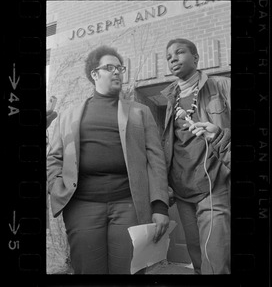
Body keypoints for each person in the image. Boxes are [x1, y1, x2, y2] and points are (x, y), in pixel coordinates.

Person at [47, 45, 170, 274]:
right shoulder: (68, 115)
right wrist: (56, 186)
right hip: (82, 206)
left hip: (129, 204)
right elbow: (54, 157)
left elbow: (156, 159)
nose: (117, 72)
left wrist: (160, 205)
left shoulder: (140, 112)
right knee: (88, 269)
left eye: (120, 68)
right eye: (110, 67)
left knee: (129, 269)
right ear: (95, 74)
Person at [161, 38, 230, 274]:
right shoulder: (171, 99)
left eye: (179, 52)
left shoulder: (221, 86)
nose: (173, 58)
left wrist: (220, 134)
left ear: (196, 58)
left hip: (214, 185)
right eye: (169, 56)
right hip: (182, 191)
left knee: (217, 261)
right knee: (198, 260)